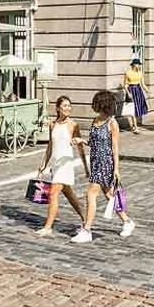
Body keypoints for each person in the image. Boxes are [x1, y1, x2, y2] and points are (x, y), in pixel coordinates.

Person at [72, 90, 137, 243]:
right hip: (95, 161)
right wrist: (81, 141)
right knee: (109, 196)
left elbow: (114, 147)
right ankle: (127, 222)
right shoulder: (95, 121)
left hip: (106, 162)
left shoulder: (112, 123)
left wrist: (116, 169)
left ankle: (87, 230)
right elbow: (94, 143)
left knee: (91, 194)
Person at [36, 96, 87, 236]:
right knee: (69, 194)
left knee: (53, 193)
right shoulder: (53, 124)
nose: (67, 108)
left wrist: (86, 167)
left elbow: (80, 148)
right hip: (56, 163)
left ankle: (48, 227)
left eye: (69, 106)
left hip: (66, 163)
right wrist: (43, 164)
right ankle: (86, 218)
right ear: (58, 108)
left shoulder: (73, 125)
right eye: (64, 106)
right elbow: (50, 147)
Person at [123, 60, 152, 132]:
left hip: (138, 90)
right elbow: (125, 85)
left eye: (139, 64)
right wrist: (128, 93)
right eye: (137, 64)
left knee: (137, 108)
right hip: (131, 90)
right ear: (133, 65)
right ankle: (135, 127)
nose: (138, 66)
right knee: (133, 108)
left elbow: (143, 84)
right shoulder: (128, 73)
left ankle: (134, 125)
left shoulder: (140, 73)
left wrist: (147, 91)